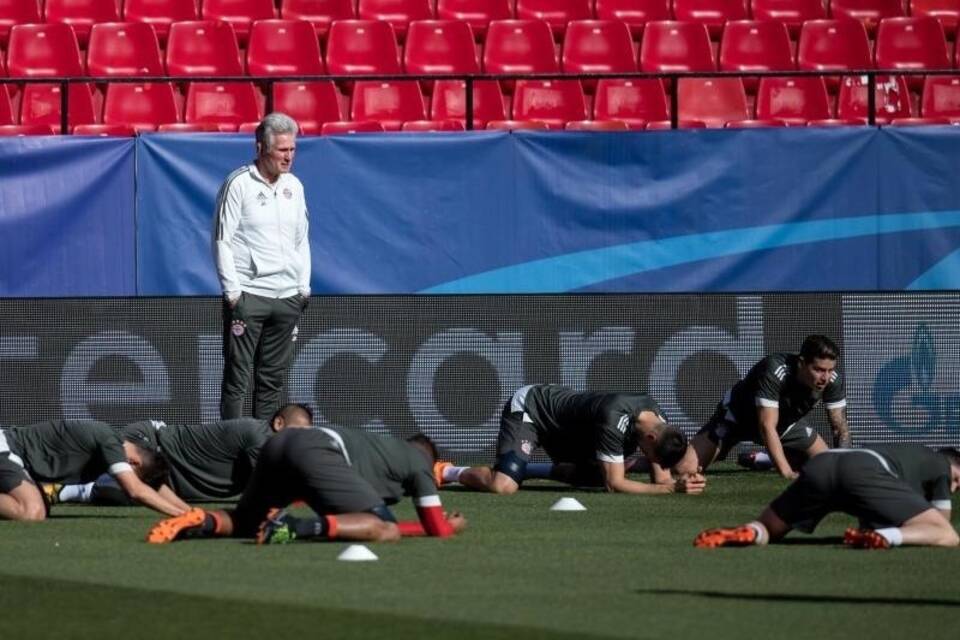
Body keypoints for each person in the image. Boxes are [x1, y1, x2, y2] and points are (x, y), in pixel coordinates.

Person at [146, 426, 467, 545]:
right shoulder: (419, 462)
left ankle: (201, 519)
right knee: (386, 529)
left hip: (279, 444)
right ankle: (295, 528)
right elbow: (436, 527)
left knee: (247, 522)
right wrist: (451, 526)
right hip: (315, 452)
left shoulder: (385, 450)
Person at [213, 112, 311, 420]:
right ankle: (229, 447)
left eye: (292, 149)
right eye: (282, 150)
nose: (289, 157)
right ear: (260, 148)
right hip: (250, 295)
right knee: (237, 379)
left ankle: (263, 450)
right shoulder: (238, 184)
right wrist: (233, 293)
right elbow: (221, 240)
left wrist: (302, 288)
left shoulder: (294, 186)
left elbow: (301, 240)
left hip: (287, 298)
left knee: (272, 380)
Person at [434, 384, 705, 495]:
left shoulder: (659, 421)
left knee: (597, 475)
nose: (650, 458)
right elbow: (615, 484)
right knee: (502, 486)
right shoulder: (614, 419)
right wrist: (670, 489)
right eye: (650, 453)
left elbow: (662, 478)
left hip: (570, 434)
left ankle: (524, 470)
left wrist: (687, 479)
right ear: (649, 438)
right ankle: (448, 471)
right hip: (533, 410)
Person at [694, 445, 960, 549]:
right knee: (947, 534)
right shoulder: (939, 464)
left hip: (823, 463)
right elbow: (941, 525)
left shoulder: (907, 460)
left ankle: (747, 532)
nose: (954, 486)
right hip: (862, 471)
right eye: (958, 479)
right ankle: (886, 537)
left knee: (768, 528)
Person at [45, 404, 315, 505]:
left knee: (137, 493)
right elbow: (269, 488)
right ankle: (54, 481)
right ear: (278, 424)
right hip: (152, 443)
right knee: (135, 484)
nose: (300, 440)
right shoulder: (259, 436)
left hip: (172, 473)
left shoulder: (276, 446)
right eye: (297, 431)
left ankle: (64, 489)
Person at [679, 335, 849, 480]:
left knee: (825, 466)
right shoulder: (775, 369)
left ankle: (764, 459)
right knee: (684, 468)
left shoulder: (832, 380)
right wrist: (786, 472)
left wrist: (844, 470)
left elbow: (840, 429)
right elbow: (766, 426)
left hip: (785, 426)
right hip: (736, 419)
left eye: (830, 370)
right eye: (818, 370)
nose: (825, 377)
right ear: (801, 363)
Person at [0, 419, 187, 521]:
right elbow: (136, 490)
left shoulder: (115, 447)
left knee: (42, 506)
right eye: (134, 475)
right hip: (6, 449)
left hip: (16, 461)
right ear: (133, 462)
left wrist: (193, 513)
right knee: (32, 511)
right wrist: (180, 516)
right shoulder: (111, 442)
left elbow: (154, 487)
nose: (121, 484)